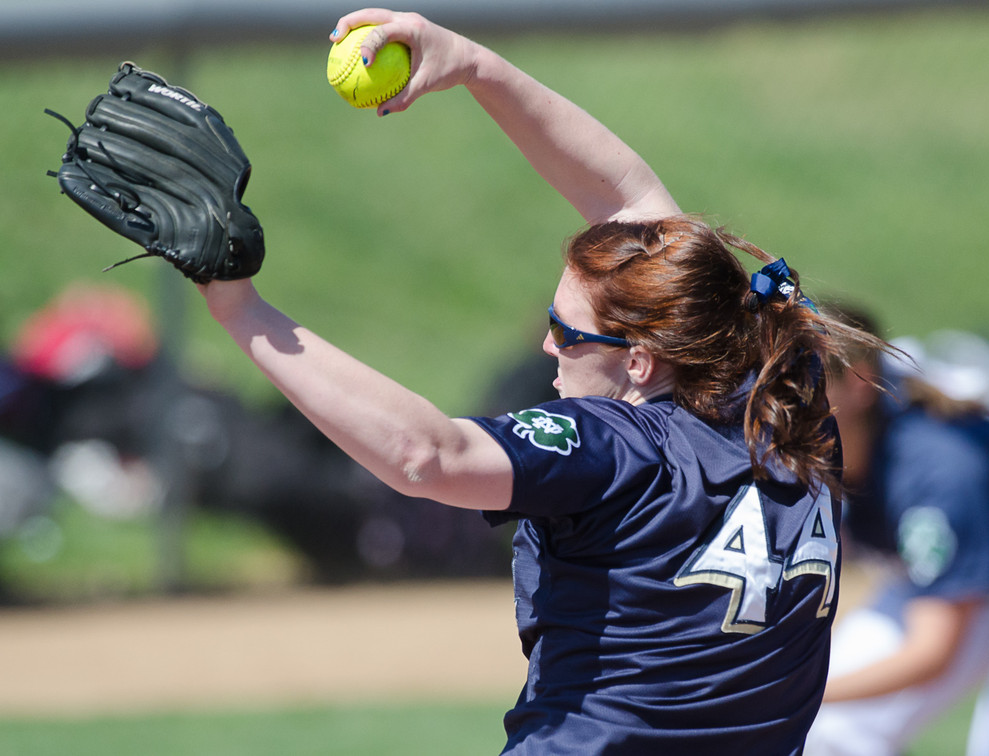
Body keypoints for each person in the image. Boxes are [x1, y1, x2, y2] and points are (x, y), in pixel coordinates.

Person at [195, 9, 886, 754]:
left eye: (565, 331)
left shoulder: (617, 449)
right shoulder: (786, 391)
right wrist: (467, 63)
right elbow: (629, 206)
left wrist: (241, 309)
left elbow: (429, 457)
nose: (546, 345)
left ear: (639, 361)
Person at [804, 309, 989, 756]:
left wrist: (799, 691)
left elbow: (932, 650)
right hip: (980, 576)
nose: (783, 396)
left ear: (860, 382)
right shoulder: (832, 442)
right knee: (827, 730)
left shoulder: (935, 470)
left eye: (805, 378)